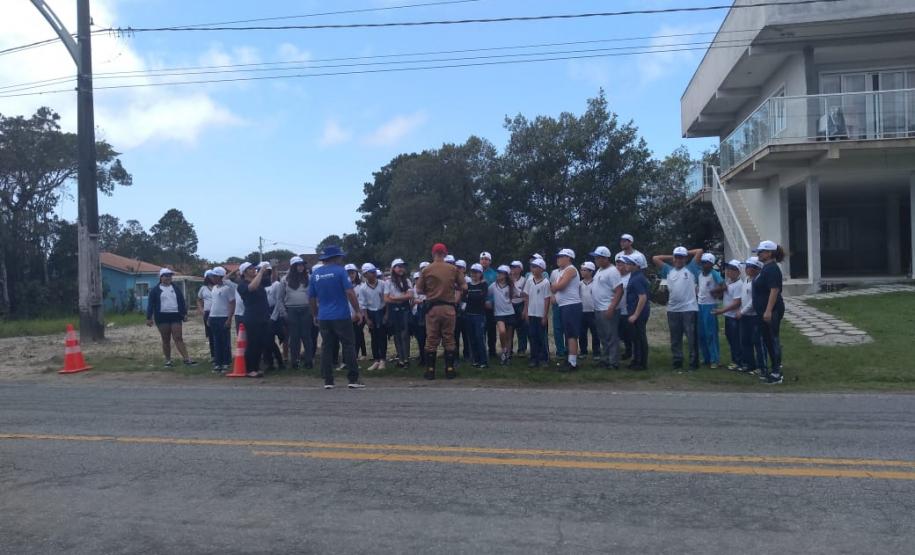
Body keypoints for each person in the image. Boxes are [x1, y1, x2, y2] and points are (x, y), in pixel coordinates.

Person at [309, 245, 364, 389]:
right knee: (348, 345)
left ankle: (328, 380)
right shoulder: (340, 272)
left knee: (327, 347)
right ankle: (353, 379)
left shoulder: (315, 274)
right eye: (340, 256)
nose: (341, 258)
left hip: (324, 316)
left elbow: (311, 298)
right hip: (341, 315)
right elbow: (350, 293)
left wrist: (315, 314)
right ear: (335, 258)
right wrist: (358, 311)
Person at [416, 243, 466, 379]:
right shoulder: (453, 269)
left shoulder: (426, 270)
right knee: (449, 338)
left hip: (432, 308)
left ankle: (430, 370)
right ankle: (449, 370)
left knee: (431, 339)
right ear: (445, 253)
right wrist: (452, 289)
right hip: (449, 308)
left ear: (433, 254)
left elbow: (419, 289)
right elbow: (464, 286)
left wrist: (431, 291)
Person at [652, 246, 702, 371]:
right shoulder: (668, 270)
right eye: (677, 257)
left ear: (685, 259)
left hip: (689, 309)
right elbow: (655, 258)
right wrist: (672, 255)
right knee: (675, 338)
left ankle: (693, 363)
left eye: (681, 257)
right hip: (673, 309)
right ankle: (677, 361)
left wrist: (685, 252)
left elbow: (699, 251)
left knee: (691, 337)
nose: (679, 260)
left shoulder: (691, 268)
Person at [146, 268, 196, 368]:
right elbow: (150, 304)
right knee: (166, 339)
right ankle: (168, 360)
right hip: (162, 317)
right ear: (161, 277)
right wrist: (149, 317)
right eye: (166, 275)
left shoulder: (176, 288)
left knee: (178, 337)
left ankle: (187, 359)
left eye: (170, 276)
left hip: (175, 316)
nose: (168, 277)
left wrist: (184, 314)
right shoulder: (155, 290)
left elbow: (181, 301)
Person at [753, 240, 786, 384]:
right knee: (767, 339)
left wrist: (768, 311)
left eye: (761, 252)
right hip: (763, 311)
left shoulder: (772, 269)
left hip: (771, 311)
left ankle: (776, 373)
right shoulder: (765, 268)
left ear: (769, 253)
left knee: (772, 340)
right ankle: (773, 369)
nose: (758, 254)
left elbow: (774, 290)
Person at [589, 246, 623, 369]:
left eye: (598, 257)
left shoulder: (612, 271)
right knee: (603, 336)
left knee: (611, 336)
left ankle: (613, 362)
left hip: (607, 308)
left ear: (605, 258)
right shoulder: (599, 270)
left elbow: (619, 290)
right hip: (598, 308)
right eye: (595, 258)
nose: (595, 260)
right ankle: (605, 359)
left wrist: (612, 307)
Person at [237, 262, 272, 378]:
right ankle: (250, 369)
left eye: (254, 268)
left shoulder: (259, 281)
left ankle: (256, 367)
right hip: (252, 317)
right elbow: (252, 287)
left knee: (261, 343)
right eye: (250, 269)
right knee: (252, 343)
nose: (254, 270)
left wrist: (273, 268)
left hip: (263, 316)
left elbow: (272, 280)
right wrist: (261, 272)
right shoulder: (242, 285)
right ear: (245, 272)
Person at [278, 256, 313, 370]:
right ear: (293, 266)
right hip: (291, 310)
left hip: (306, 309)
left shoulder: (309, 278)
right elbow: (280, 298)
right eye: (298, 265)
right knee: (294, 337)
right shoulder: (284, 279)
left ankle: (309, 360)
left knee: (306, 336)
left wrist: (313, 310)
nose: (301, 267)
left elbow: (313, 295)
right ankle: (295, 361)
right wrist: (284, 313)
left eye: (302, 265)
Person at [550, 249, 582, 372]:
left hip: (571, 305)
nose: (558, 259)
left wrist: (554, 287)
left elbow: (559, 286)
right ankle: (570, 358)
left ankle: (572, 362)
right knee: (568, 334)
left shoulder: (570, 269)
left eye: (561, 256)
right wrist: (554, 288)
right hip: (565, 305)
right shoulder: (563, 271)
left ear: (568, 258)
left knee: (571, 335)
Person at [715, 260, 745, 371]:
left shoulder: (738, 284)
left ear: (738, 272)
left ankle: (738, 362)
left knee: (735, 340)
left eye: (732, 269)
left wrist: (722, 311)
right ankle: (736, 360)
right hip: (729, 315)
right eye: (728, 269)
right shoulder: (728, 282)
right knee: (731, 339)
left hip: (734, 316)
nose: (729, 271)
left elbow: (737, 302)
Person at [740, 257, 767, 375]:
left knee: (758, 342)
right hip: (745, 316)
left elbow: (753, 301)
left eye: (749, 267)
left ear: (756, 268)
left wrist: (742, 311)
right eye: (746, 266)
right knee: (745, 341)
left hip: (755, 316)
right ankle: (750, 364)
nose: (746, 269)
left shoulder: (757, 281)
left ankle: (762, 367)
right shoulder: (746, 280)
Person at [521, 257, 551, 368]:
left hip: (540, 314)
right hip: (531, 313)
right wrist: (526, 310)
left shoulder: (546, 282)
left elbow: (547, 299)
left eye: (535, 267)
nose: (533, 269)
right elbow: (527, 297)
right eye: (532, 267)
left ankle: (544, 358)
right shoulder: (529, 280)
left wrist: (545, 315)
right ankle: (534, 358)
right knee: (532, 336)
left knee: (541, 337)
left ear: (542, 269)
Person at [697, 253, 726, 369]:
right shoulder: (700, 274)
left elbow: (724, 286)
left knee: (711, 333)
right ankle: (706, 357)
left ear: (711, 264)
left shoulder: (714, 273)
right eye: (703, 262)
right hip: (700, 305)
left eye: (706, 263)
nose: (704, 265)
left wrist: (714, 291)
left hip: (710, 306)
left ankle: (715, 359)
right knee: (702, 334)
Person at [358, 263, 387, 371]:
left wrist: (386, 314)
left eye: (374, 272)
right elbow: (363, 304)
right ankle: (376, 360)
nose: (374, 274)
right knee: (374, 337)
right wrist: (367, 318)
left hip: (381, 310)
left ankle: (383, 359)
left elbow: (386, 300)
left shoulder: (382, 284)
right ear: (365, 274)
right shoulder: (363, 288)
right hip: (371, 312)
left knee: (382, 336)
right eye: (371, 272)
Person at [385, 258, 414, 368]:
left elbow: (410, 295)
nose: (401, 269)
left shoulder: (407, 281)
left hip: (405, 309)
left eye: (402, 266)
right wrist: (402, 298)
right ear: (393, 268)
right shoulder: (388, 282)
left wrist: (395, 298)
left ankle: (406, 358)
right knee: (396, 335)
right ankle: (400, 359)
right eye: (399, 266)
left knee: (405, 334)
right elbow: (386, 299)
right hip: (394, 310)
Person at [623, 255, 650, 370]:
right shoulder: (633, 276)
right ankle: (636, 360)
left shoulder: (638, 278)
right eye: (627, 263)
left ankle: (641, 363)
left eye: (629, 263)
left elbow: (642, 297)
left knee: (640, 337)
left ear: (637, 265)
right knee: (635, 338)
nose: (626, 265)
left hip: (639, 313)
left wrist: (635, 315)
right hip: (634, 311)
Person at [207, 266, 234, 373]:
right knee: (216, 341)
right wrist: (209, 316)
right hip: (214, 317)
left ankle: (226, 362)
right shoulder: (214, 288)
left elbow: (232, 303)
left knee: (225, 341)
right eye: (212, 276)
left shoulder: (228, 288)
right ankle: (218, 362)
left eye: (215, 276)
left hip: (223, 317)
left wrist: (229, 318)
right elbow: (214, 304)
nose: (213, 278)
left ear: (220, 277)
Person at [488, 265, 516, 366]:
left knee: (509, 336)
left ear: (506, 275)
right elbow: (487, 294)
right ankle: (504, 350)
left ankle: (507, 355)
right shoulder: (493, 286)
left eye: (501, 273)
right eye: (498, 272)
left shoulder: (510, 286)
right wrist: (488, 302)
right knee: (502, 331)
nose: (498, 274)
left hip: (510, 313)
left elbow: (517, 295)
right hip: (498, 313)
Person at [464, 263, 489, 368]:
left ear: (480, 273)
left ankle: (483, 361)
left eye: (476, 272)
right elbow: (464, 298)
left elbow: (481, 298)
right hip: (469, 314)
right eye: (472, 272)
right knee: (472, 338)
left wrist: (471, 296)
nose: (474, 274)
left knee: (479, 337)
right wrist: (472, 296)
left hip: (479, 315)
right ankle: (475, 360)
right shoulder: (468, 285)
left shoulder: (483, 285)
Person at [262, 263, 286, 371]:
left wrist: (273, 317)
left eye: (266, 271)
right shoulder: (260, 284)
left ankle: (280, 362)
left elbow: (278, 301)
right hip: (264, 313)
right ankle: (269, 362)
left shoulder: (276, 284)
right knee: (267, 340)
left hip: (274, 314)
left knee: (273, 340)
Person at [578, 261, 600, 360]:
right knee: (582, 333)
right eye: (581, 270)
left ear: (591, 272)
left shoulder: (596, 282)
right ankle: (583, 351)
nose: (582, 272)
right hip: (582, 311)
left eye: (584, 270)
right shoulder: (579, 284)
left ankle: (596, 352)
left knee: (595, 332)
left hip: (593, 311)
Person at [346, 264, 368, 361]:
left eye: (352, 273)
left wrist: (358, 314)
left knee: (358, 334)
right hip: (347, 315)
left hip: (359, 314)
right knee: (351, 335)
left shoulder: (361, 286)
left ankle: (357, 354)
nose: (351, 275)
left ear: (356, 273)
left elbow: (363, 302)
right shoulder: (342, 287)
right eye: (348, 273)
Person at [479, 252, 498, 359]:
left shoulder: (494, 274)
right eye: (482, 259)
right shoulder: (475, 272)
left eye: (486, 259)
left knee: (491, 330)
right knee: (481, 330)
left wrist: (491, 302)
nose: (484, 261)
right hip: (479, 306)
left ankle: (492, 351)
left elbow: (496, 290)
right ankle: (481, 351)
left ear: (490, 261)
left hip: (491, 306)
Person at [616, 254, 633, 361]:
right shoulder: (615, 277)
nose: (618, 266)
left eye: (621, 264)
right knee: (619, 333)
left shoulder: (631, 277)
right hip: (617, 310)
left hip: (628, 311)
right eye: (617, 264)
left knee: (628, 334)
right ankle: (620, 351)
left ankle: (629, 351)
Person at [509, 261, 528, 357]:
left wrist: (525, 309)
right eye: (512, 267)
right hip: (510, 304)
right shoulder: (508, 279)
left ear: (520, 269)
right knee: (510, 327)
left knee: (522, 328)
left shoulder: (524, 280)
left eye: (515, 267)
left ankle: (522, 349)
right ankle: (509, 349)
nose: (513, 269)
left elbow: (525, 295)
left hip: (520, 304)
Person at [197, 271, 216, 365]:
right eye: (211, 276)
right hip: (208, 313)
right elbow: (199, 299)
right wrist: (201, 310)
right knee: (211, 335)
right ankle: (213, 356)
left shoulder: (218, 287)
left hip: (218, 313)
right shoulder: (203, 289)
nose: (213, 278)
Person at [411, 270, 427, 366]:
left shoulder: (427, 289)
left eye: (420, 279)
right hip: (415, 315)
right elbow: (411, 303)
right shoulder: (412, 289)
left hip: (425, 315)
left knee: (426, 337)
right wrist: (415, 302)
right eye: (416, 279)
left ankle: (427, 357)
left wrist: (421, 302)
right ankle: (422, 357)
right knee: (420, 339)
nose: (418, 280)